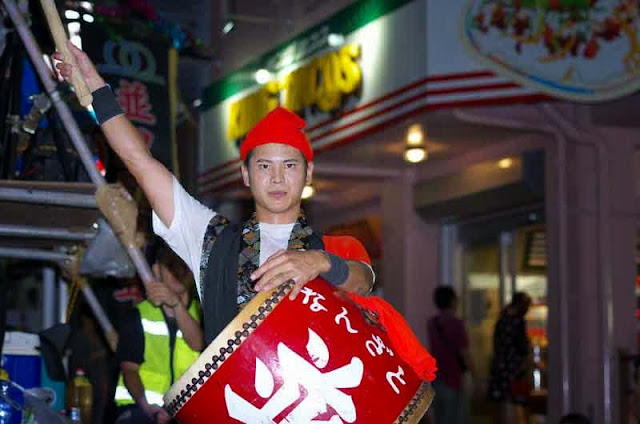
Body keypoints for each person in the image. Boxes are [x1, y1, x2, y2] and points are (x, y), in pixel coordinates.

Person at [54, 43, 374, 346]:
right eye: (264, 166)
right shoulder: (211, 239)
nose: (277, 177)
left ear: (308, 174)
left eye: (290, 165)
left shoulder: (332, 249)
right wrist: (96, 86)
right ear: (246, 175)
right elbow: (140, 162)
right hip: (232, 400)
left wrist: (318, 262)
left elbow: (362, 282)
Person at [114, 244, 203, 424]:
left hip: (187, 414)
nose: (177, 272)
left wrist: (176, 304)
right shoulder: (138, 315)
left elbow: (198, 344)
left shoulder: (203, 314)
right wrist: (147, 407)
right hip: (142, 411)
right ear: (156, 270)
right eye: (170, 266)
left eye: (183, 266)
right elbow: (129, 370)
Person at [427, 286, 473, 424]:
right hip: (454, 378)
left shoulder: (432, 323)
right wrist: (474, 374)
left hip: (437, 378)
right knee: (457, 416)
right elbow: (463, 352)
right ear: (453, 301)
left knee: (441, 417)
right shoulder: (457, 324)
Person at [487, 291, 533, 424]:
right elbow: (522, 348)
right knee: (517, 406)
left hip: (500, 370)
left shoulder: (501, 320)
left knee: (501, 406)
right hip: (514, 370)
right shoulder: (518, 322)